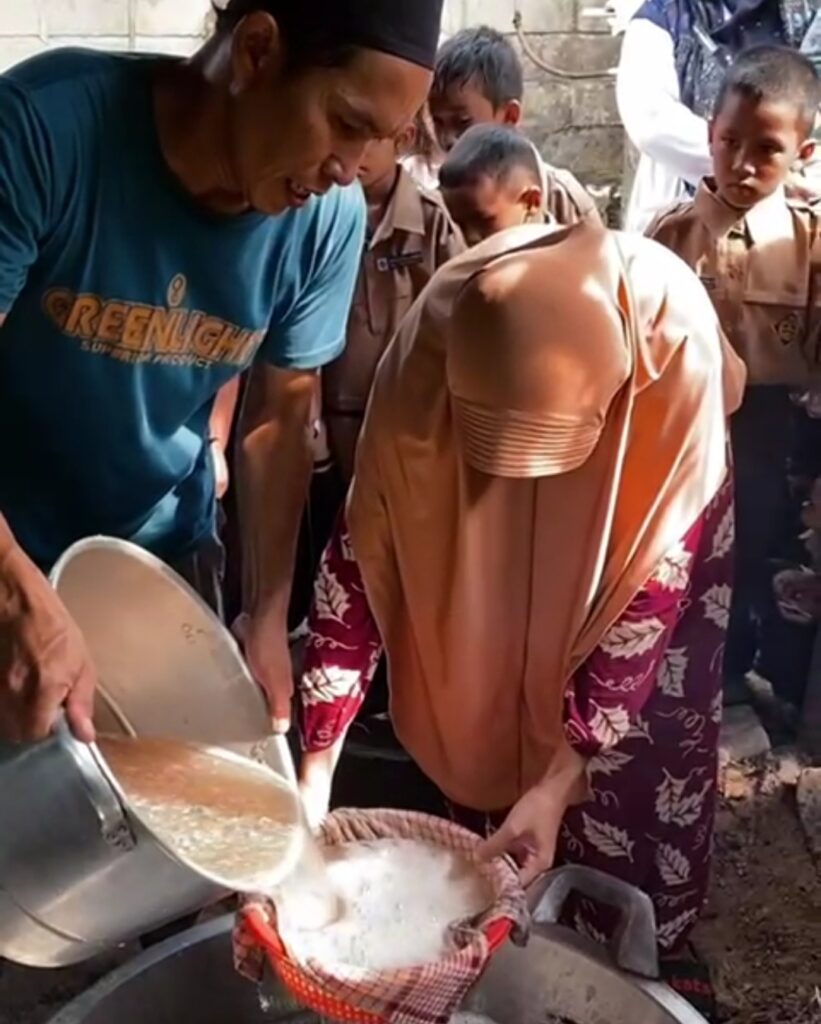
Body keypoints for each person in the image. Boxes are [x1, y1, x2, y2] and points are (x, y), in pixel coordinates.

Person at [296, 219, 746, 982]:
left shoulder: (675, 352)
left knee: (639, 768)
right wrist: (314, 767)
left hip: (629, 512)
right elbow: (360, 566)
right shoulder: (422, 363)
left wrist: (563, 771)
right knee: (482, 698)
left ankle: (636, 956)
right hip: (477, 540)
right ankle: (501, 948)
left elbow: (650, 593)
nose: (526, 488)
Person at [0, 0, 446, 745]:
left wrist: (265, 616)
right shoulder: (45, 131)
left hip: (160, 566)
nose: (348, 169)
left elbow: (277, 421)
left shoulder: (323, 224)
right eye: (344, 121)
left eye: (377, 139)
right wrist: (13, 590)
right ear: (257, 50)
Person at [647, 46, 821, 706]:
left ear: (802, 152)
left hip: (771, 433)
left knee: (756, 554)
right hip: (684, 429)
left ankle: (736, 680)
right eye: (728, 141)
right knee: (677, 558)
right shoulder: (668, 235)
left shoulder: (808, 242)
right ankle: (675, 683)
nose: (743, 163)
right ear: (708, 135)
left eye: (767, 149)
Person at [322, 120, 464, 484]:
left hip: (407, 422)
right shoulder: (318, 216)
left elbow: (459, 321)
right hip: (329, 419)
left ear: (403, 140)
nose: (353, 153)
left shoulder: (431, 221)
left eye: (368, 140)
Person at [618, 0, 821, 232]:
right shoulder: (662, 15)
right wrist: (760, 167)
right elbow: (651, 122)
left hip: (791, 213)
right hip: (684, 202)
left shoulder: (807, 11)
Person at [426, 26, 602, 227]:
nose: (448, 139)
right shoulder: (431, 201)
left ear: (510, 116)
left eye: (463, 122)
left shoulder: (563, 199)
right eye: (438, 122)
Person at [439, 124, 547, 245]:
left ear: (532, 202)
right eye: (461, 225)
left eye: (484, 221)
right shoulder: (471, 261)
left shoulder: (567, 259)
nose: (470, 237)